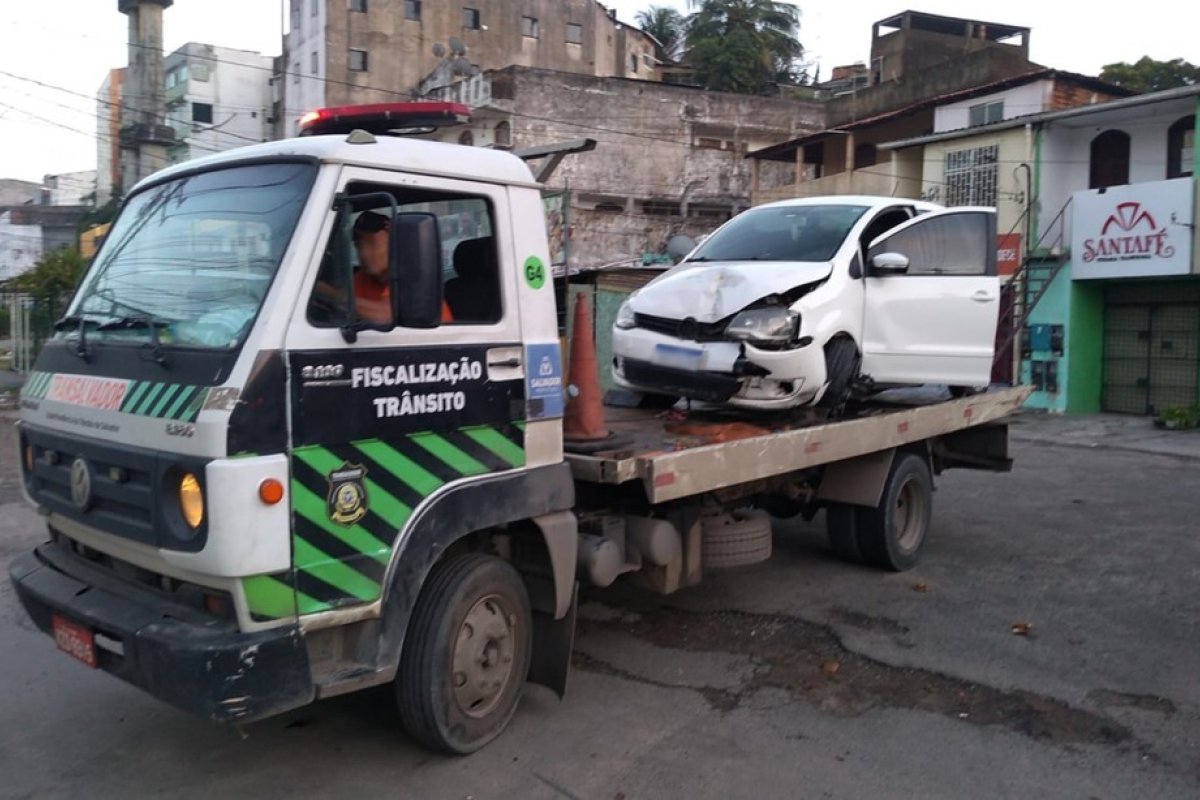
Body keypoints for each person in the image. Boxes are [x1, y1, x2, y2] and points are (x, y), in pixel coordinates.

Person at [317, 210, 452, 325]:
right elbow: (346, 302)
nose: (363, 253)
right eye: (358, 245)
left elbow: (385, 315)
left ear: (395, 244)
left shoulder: (411, 274)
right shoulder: (363, 277)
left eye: (372, 243)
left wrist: (326, 292)